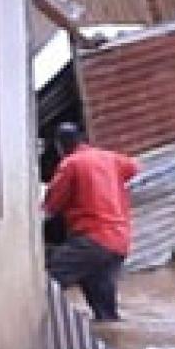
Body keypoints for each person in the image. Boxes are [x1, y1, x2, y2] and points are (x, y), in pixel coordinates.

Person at [44, 124, 140, 323]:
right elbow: (134, 167)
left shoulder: (70, 164)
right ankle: (112, 344)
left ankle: (49, 331)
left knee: (46, 282)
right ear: (82, 139)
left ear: (60, 146)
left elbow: (51, 206)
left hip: (91, 240)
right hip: (119, 242)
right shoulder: (110, 158)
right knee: (106, 314)